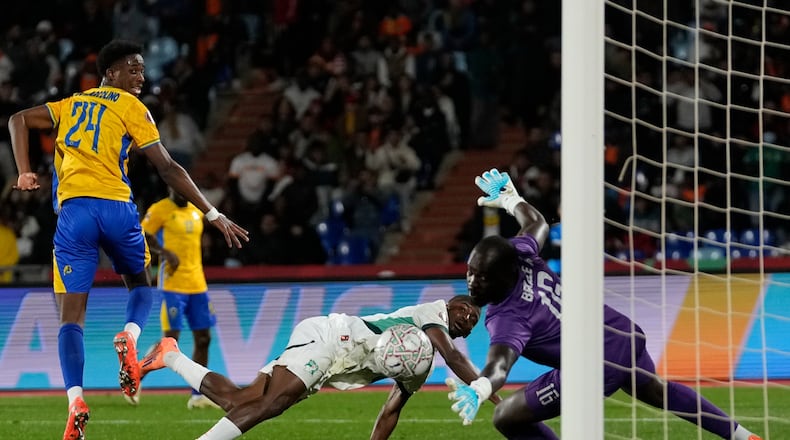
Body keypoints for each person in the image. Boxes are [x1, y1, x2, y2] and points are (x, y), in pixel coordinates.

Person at [8, 40, 249, 440]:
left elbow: (17, 119)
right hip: (118, 209)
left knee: (71, 318)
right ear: (111, 73)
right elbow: (168, 168)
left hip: (74, 214)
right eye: (133, 69)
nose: (141, 76)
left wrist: (24, 171)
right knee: (140, 283)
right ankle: (132, 335)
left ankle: (75, 400)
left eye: (141, 69)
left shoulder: (69, 105)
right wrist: (213, 212)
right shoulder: (131, 108)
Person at [446, 168, 762, 440]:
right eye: (470, 272)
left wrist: (481, 388)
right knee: (655, 391)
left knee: (505, 416)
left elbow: (500, 363)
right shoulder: (520, 253)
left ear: (503, 276)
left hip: (592, 364)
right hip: (619, 333)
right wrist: (510, 199)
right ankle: (741, 435)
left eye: (482, 277)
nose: (472, 283)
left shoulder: (507, 318)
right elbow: (537, 223)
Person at [140, 295, 492, 440]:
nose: (470, 319)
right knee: (270, 405)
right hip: (331, 337)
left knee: (240, 400)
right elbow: (456, 359)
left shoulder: (420, 364)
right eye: (467, 310)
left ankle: (169, 355)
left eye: (475, 320)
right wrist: (489, 391)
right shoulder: (433, 313)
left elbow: (390, 410)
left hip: (329, 360)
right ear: (451, 305)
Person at [140, 187, 219, 409]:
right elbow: (141, 232)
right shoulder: (160, 209)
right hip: (173, 283)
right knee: (169, 341)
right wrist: (163, 252)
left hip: (197, 284)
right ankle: (136, 374)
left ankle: (197, 396)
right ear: (169, 186)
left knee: (204, 338)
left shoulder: (196, 210)